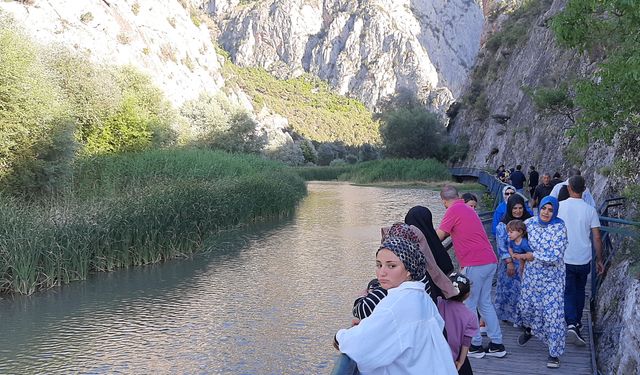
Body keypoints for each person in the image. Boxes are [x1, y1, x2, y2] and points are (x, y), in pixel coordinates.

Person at [334, 236, 458, 374]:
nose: (382, 272)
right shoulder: (422, 297)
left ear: (409, 269)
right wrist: (369, 325)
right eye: (379, 265)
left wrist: (339, 337)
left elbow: (359, 344)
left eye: (391, 266)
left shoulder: (395, 304)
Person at [436, 185, 506, 358]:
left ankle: (475, 345)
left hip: (475, 263)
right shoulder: (468, 209)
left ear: (444, 201)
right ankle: (497, 343)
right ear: (458, 196)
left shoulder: (453, 210)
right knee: (485, 303)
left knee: (470, 304)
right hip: (490, 260)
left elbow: (440, 235)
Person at [516, 196, 567, 369]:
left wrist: (534, 256)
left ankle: (554, 353)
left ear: (555, 211)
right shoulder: (529, 223)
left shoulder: (559, 227)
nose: (546, 212)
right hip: (531, 276)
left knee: (553, 315)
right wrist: (520, 261)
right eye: (544, 208)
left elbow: (556, 255)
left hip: (552, 279)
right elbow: (518, 240)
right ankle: (531, 329)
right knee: (527, 307)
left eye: (550, 210)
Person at [557, 175, 604, 346]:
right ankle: (576, 322)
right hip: (583, 258)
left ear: (569, 188)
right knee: (580, 290)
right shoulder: (590, 210)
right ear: (584, 190)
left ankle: (570, 323)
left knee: (568, 290)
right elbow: (597, 237)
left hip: (565, 257)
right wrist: (600, 260)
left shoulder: (559, 207)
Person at [494, 194, 532, 324]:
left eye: (520, 208)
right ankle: (507, 316)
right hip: (508, 263)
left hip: (526, 264)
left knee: (524, 292)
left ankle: (523, 318)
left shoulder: (529, 222)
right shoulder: (502, 225)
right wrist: (509, 262)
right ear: (510, 208)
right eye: (514, 208)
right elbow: (501, 245)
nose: (518, 211)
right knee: (507, 290)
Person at [405, 206, 455, 298]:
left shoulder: (408, 245)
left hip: (420, 295)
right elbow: (447, 266)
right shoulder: (434, 240)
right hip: (441, 295)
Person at [438, 273, 478, 375]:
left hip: (436, 352)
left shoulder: (438, 304)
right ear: (467, 295)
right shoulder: (470, 316)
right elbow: (466, 342)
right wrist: (461, 361)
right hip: (453, 355)